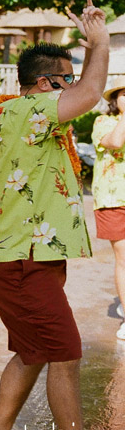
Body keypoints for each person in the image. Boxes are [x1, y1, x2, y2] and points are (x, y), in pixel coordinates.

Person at [0, 0, 108, 430]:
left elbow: (86, 88)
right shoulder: (29, 110)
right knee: (65, 354)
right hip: (21, 261)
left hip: (26, 258)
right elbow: (92, 93)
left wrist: (93, 48)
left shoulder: (28, 112)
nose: (71, 86)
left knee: (32, 351)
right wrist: (100, 42)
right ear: (44, 83)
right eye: (65, 78)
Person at [91, 75, 125, 339]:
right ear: (115, 99)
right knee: (124, 259)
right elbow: (115, 142)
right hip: (113, 200)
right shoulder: (103, 122)